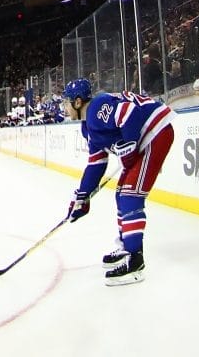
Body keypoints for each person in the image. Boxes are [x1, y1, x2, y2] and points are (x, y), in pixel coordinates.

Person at [63, 78, 176, 285]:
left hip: (157, 132)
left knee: (130, 195)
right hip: (147, 137)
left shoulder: (97, 107)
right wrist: (82, 196)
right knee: (121, 192)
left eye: (66, 102)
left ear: (78, 102)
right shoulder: (88, 127)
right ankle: (127, 246)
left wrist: (130, 144)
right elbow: (96, 163)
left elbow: (128, 114)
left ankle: (135, 262)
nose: (64, 107)